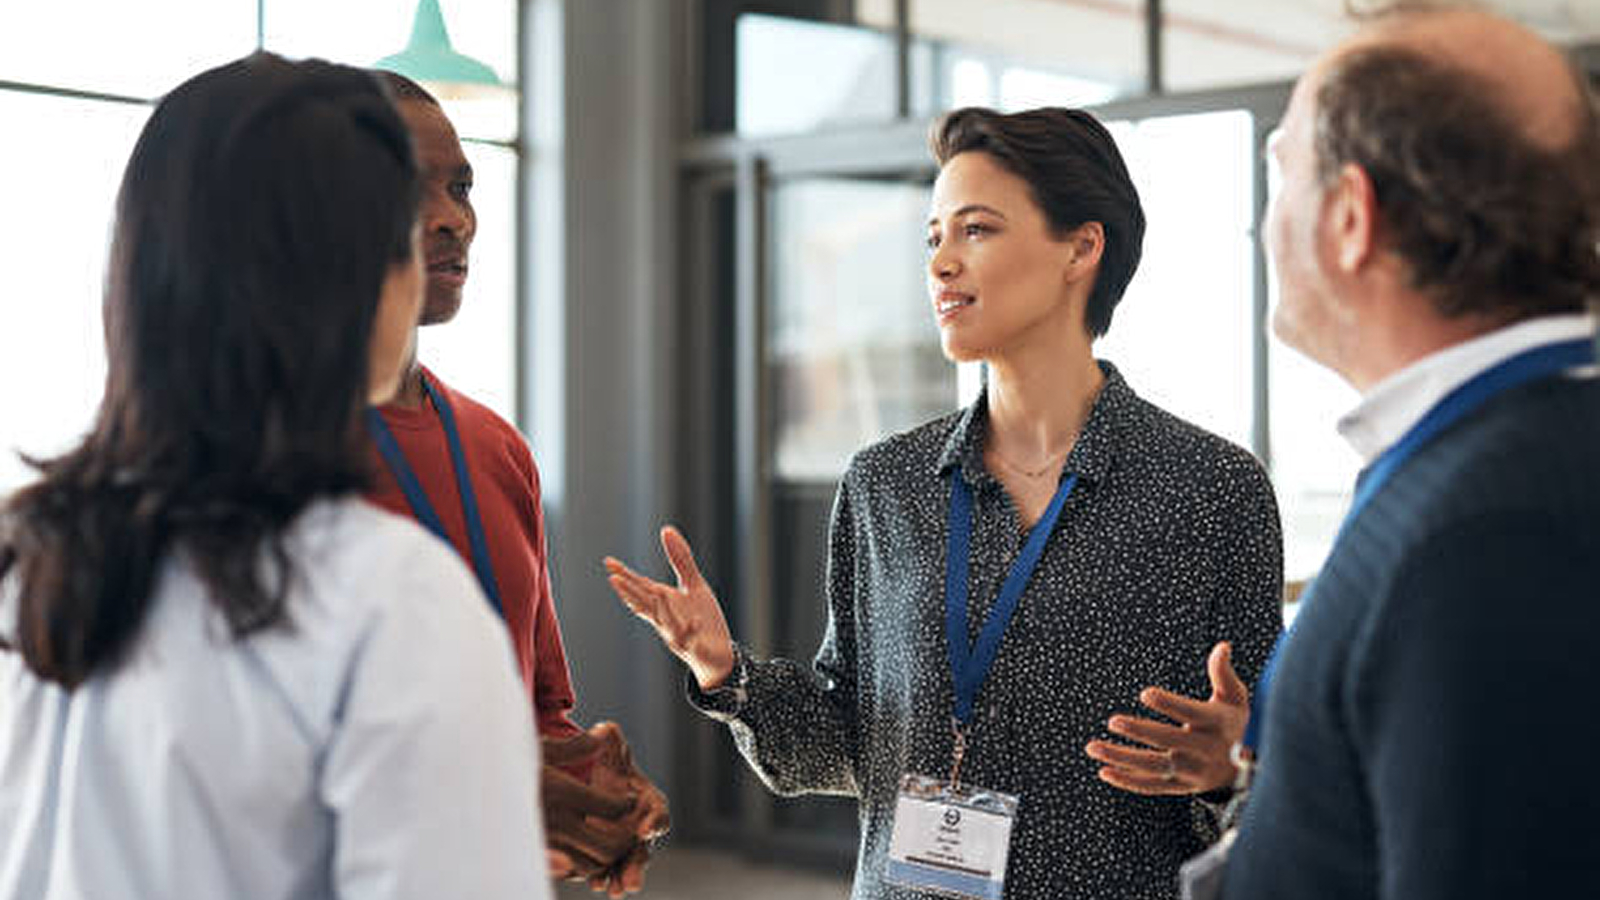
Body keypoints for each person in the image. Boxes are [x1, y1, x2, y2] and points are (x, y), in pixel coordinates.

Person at [605, 106, 1283, 900]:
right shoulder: (884, 487)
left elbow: (1276, 774)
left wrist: (1238, 765)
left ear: (1081, 247)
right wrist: (724, 672)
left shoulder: (1211, 489)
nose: (941, 264)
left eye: (977, 231)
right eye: (934, 237)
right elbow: (848, 746)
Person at [0, 54, 551, 900]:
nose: (449, 228)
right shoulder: (389, 605)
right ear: (346, 272)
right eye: (396, 217)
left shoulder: (35, 562)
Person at [1219, 5, 1600, 899]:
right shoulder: (1503, 454)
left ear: (1351, 216)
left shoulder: (1485, 536)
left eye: (1282, 172)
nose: (1261, 228)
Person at [363, 71, 667, 895]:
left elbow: (536, 705)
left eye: (461, 186)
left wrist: (588, 792)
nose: (452, 218)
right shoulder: (264, 456)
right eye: (408, 188)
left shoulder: (494, 447)